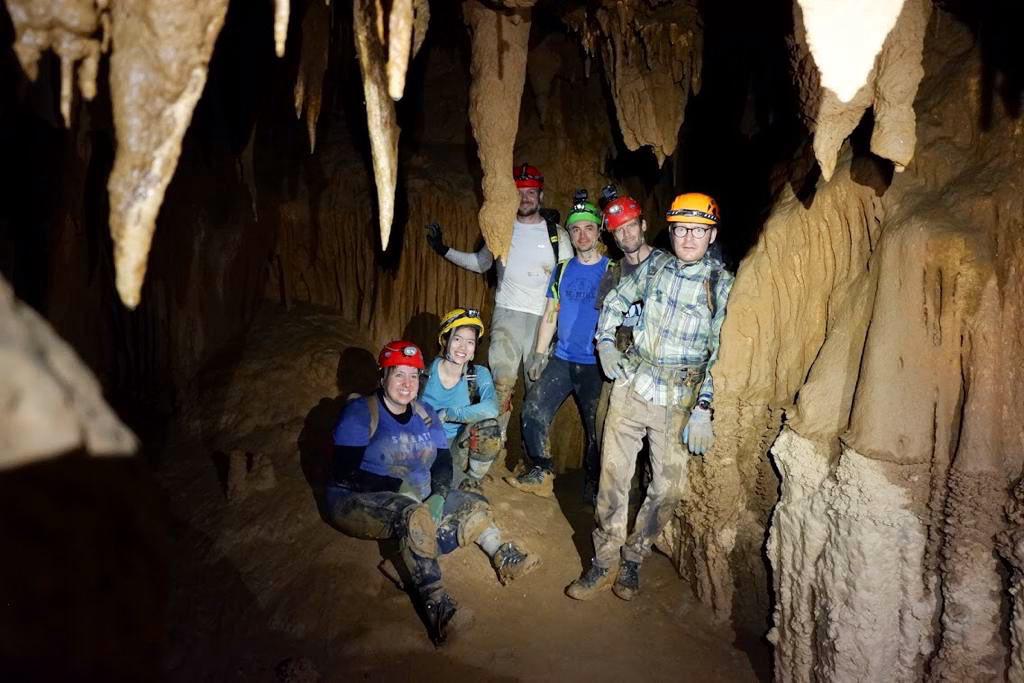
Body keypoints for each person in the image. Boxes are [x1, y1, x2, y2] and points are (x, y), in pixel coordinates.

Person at [566, 192, 734, 602]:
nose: (688, 238)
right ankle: (604, 559)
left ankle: (634, 557)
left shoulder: (721, 285)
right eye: (681, 229)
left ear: (711, 236)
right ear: (670, 231)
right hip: (633, 384)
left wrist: (704, 407)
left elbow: (720, 352)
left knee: (667, 489)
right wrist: (605, 340)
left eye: (698, 230)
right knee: (613, 478)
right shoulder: (655, 266)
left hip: (679, 398)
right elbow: (618, 298)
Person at [326, 341, 541, 645]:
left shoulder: (424, 413)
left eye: (413, 376)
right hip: (356, 498)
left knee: (475, 505)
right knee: (413, 515)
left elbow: (441, 462)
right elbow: (342, 473)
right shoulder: (361, 413)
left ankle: (500, 555)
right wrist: (398, 488)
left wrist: (439, 494)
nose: (406, 384)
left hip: (416, 492)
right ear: (383, 376)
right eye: (399, 375)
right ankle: (438, 608)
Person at [425, 164, 573, 469]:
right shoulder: (501, 230)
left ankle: (537, 464)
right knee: (501, 385)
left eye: (531, 192)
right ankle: (492, 455)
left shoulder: (556, 235)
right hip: (507, 315)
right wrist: (444, 250)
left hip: (542, 321)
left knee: (537, 395)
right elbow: (480, 264)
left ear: (540, 195)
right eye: (519, 193)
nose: (525, 198)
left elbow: (569, 280)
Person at [504, 191, 608, 502]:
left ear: (599, 231)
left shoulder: (611, 270)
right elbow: (551, 311)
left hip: (595, 364)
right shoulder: (562, 268)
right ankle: (542, 471)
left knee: (596, 428)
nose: (582, 235)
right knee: (534, 409)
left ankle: (593, 480)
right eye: (576, 229)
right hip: (562, 358)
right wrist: (539, 352)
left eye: (589, 228)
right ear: (570, 234)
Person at [420, 308, 501, 494]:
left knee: (489, 427)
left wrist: (448, 414)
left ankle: (472, 479)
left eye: (470, 342)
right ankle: (459, 484)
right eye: (457, 339)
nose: (463, 347)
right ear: (444, 340)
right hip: (424, 444)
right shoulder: (424, 372)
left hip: (458, 447)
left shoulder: (478, 374)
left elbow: (491, 409)